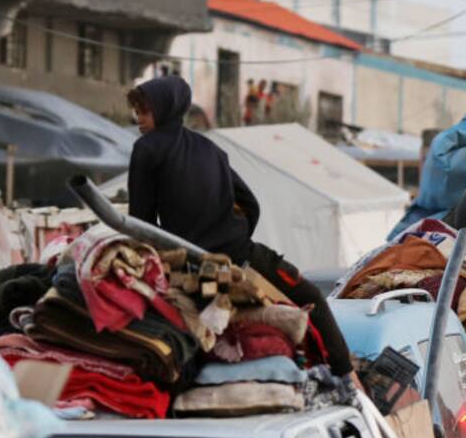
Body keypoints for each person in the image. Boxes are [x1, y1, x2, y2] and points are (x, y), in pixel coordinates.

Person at [125, 75, 355, 378]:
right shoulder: (210, 149)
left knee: (197, 331)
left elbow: (141, 222)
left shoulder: (147, 149)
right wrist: (234, 236)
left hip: (195, 267)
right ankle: (347, 376)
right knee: (311, 296)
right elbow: (251, 203)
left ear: (164, 108)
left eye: (144, 112)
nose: (138, 120)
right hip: (243, 255)